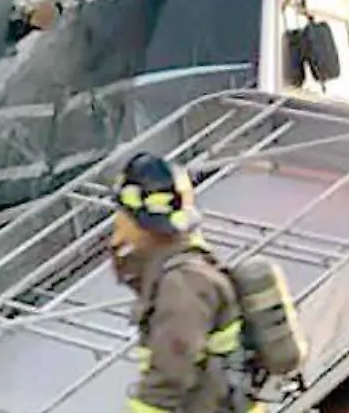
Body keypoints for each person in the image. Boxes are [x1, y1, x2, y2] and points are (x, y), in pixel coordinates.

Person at [111, 152, 261, 413]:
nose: (116, 222)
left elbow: (170, 376)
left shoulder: (183, 283)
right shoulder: (176, 267)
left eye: (121, 214)